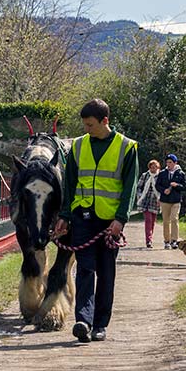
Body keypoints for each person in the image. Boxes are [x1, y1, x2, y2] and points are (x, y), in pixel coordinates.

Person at [53, 99, 138, 343]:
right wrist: (65, 215)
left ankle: (101, 324)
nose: (87, 129)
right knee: (85, 269)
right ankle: (84, 321)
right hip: (83, 218)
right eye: (85, 125)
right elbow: (69, 184)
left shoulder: (127, 147)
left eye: (91, 125)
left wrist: (120, 219)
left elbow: (129, 187)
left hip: (110, 222)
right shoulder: (78, 147)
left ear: (105, 121)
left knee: (106, 273)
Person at [154, 153, 186, 249]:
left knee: (174, 219)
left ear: (175, 163)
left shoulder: (181, 174)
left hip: (176, 201)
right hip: (165, 200)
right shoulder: (162, 173)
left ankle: (174, 240)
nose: (168, 164)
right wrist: (164, 190)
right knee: (165, 221)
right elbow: (157, 185)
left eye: (170, 162)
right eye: (167, 162)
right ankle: (166, 241)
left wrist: (176, 185)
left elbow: (184, 187)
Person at [135, 160, 162, 248]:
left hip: (155, 201)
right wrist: (139, 196)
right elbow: (139, 187)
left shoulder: (160, 176)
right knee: (148, 220)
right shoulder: (145, 175)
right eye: (152, 167)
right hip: (145, 200)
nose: (153, 169)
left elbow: (162, 188)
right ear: (149, 167)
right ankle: (148, 240)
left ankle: (150, 237)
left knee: (153, 222)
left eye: (155, 167)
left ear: (158, 167)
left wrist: (160, 199)